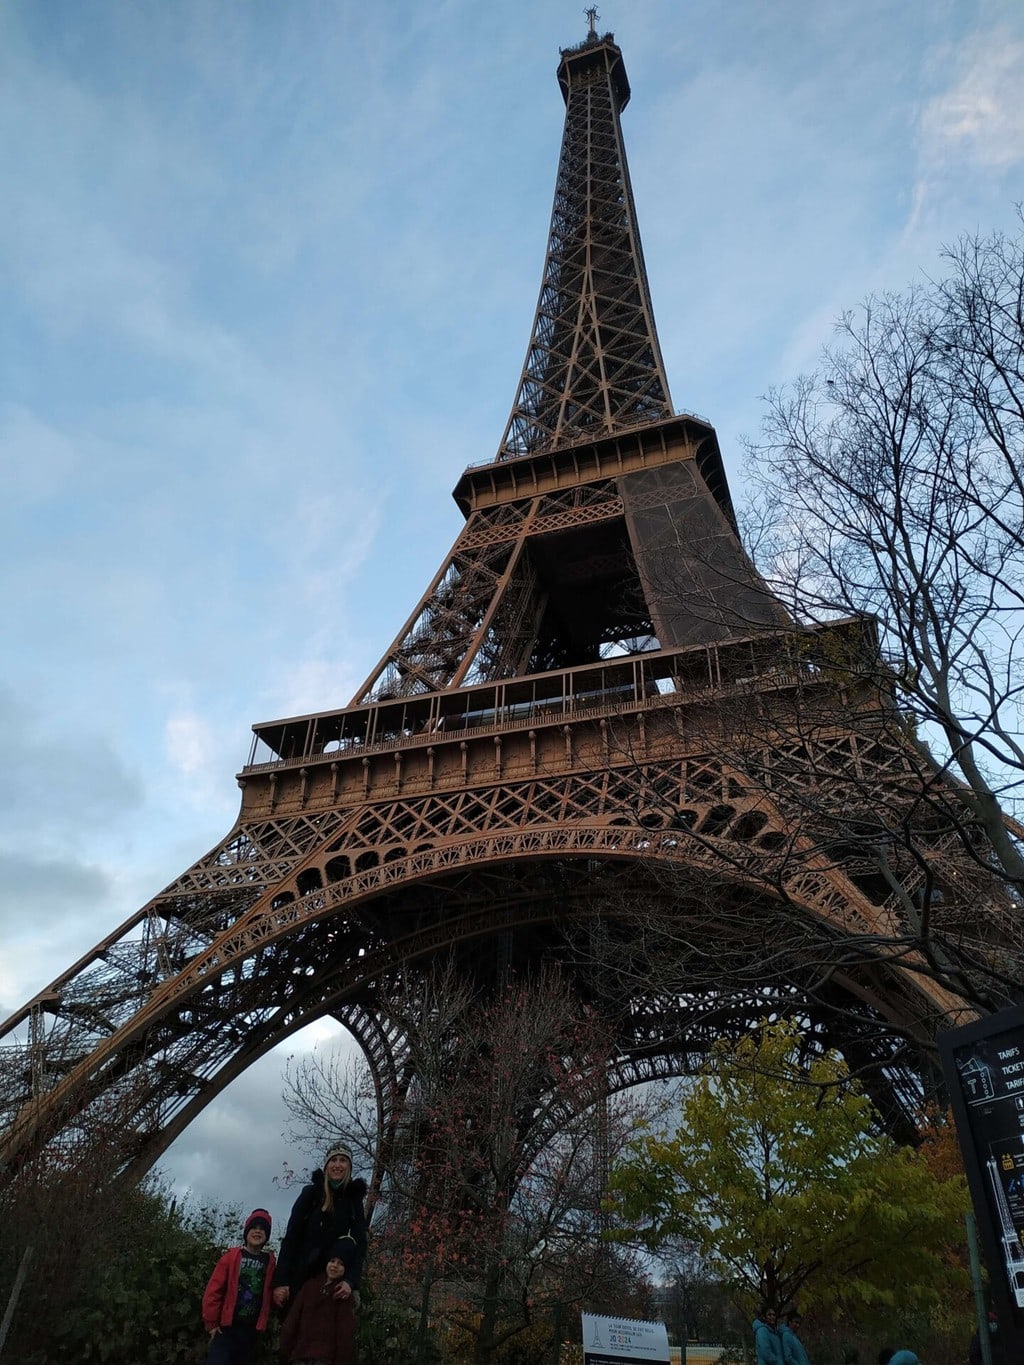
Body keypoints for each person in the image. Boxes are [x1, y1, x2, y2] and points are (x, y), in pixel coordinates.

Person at [273, 1143, 367, 1311]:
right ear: (326, 1165)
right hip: (300, 1276)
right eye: (334, 1160)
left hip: (331, 1279)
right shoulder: (311, 1194)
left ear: (349, 1167)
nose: (338, 1165)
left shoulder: (354, 1201)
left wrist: (350, 1281)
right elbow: (291, 1238)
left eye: (343, 1161)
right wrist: (281, 1282)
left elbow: (360, 1244)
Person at [201, 1207, 277, 1365]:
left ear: (267, 1235)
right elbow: (214, 1290)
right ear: (246, 1232)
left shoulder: (270, 1262)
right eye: (254, 1228)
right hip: (226, 1328)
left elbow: (272, 1290)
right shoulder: (231, 1257)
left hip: (251, 1330)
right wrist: (211, 1323)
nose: (258, 1232)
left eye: (262, 1229)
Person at [279, 1240, 357, 1365]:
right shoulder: (310, 1286)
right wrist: (286, 1347)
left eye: (341, 1264)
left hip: (324, 1357)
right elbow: (292, 1319)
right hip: (300, 1353)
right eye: (332, 1261)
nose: (335, 1266)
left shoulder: (343, 1295)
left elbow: (344, 1333)